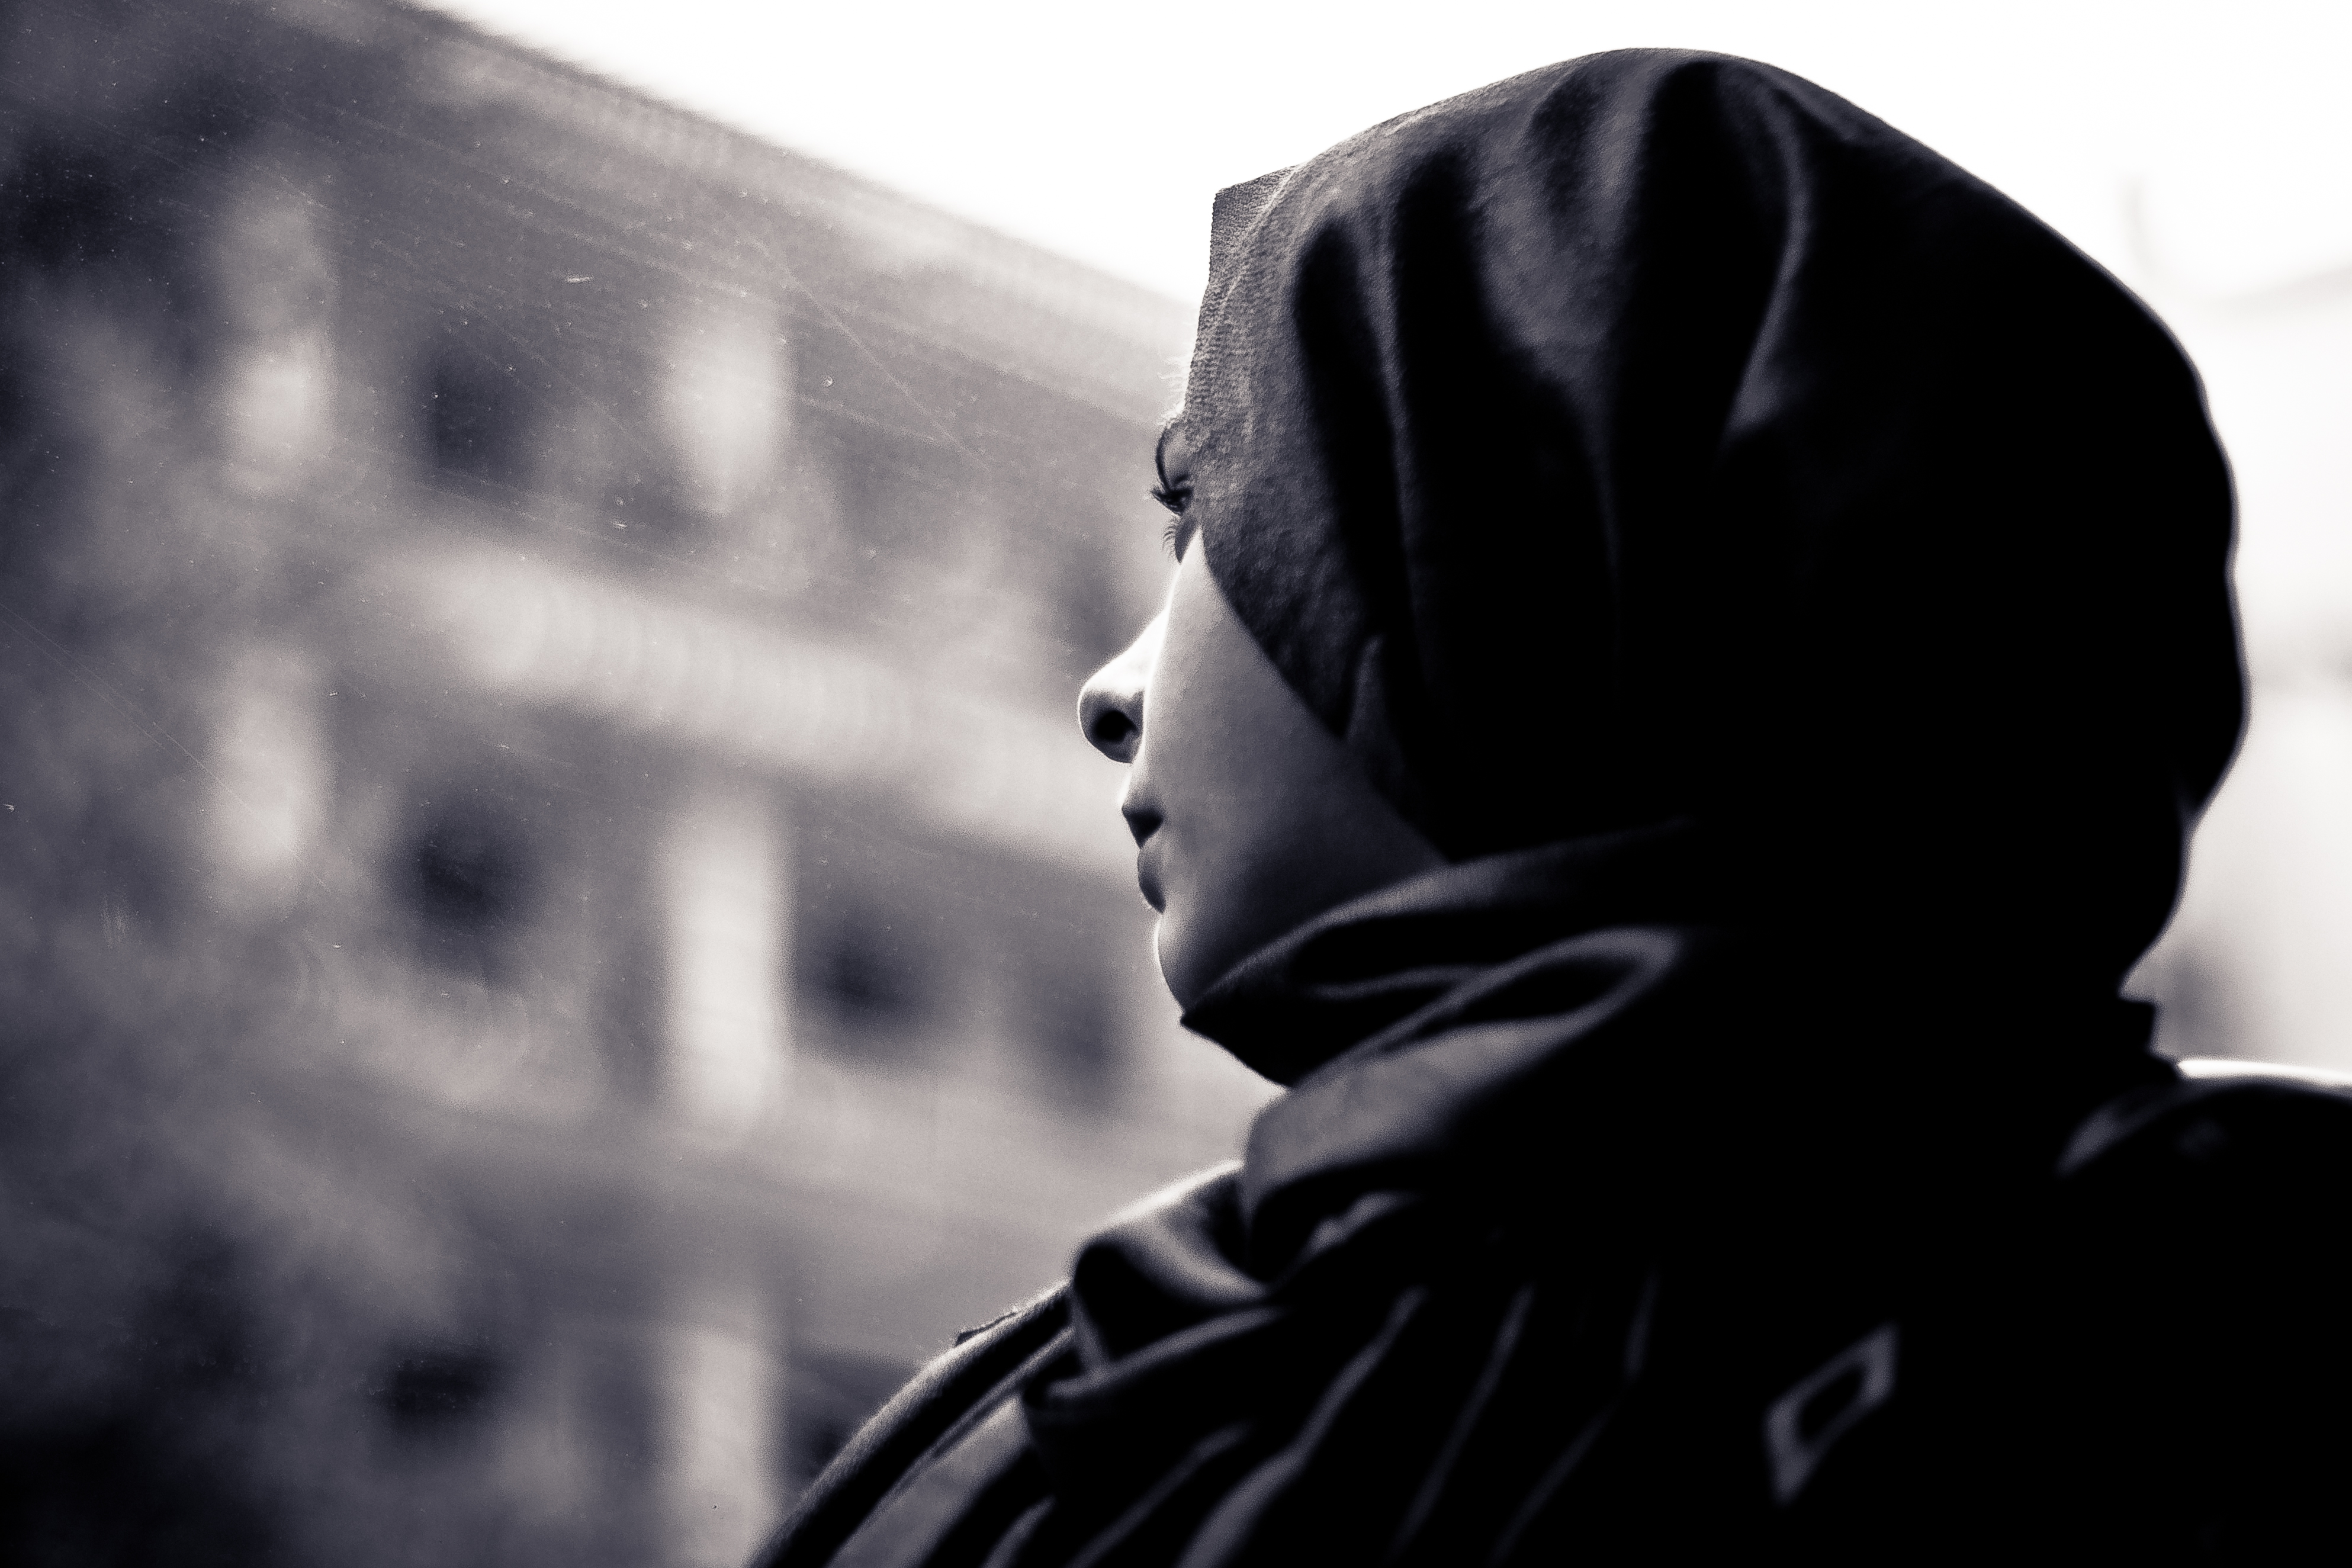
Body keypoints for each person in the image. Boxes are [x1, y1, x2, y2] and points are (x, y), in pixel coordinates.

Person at [753, 49, 2352, 1567]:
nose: (1109, 691)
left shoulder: (2207, 1313)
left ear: (1523, 543)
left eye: (1206, 522)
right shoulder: (1062, 1376)